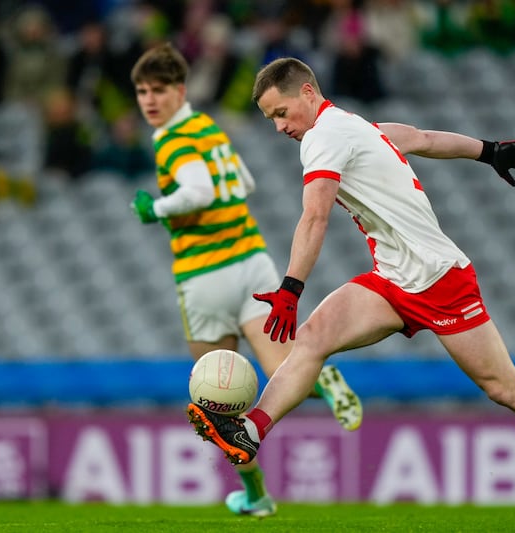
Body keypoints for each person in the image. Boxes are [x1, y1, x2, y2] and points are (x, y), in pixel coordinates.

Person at [186, 56, 515, 529]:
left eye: (282, 112)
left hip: (439, 280)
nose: (279, 127)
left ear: (308, 93)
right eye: (272, 118)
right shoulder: (357, 127)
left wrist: (290, 288)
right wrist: (488, 150)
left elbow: (315, 215)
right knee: (312, 338)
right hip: (392, 278)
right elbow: (424, 138)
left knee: (505, 387)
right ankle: (249, 432)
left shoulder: (323, 137)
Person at [128, 44, 362, 518]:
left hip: (204, 273)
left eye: (158, 91)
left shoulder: (171, 139)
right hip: (251, 261)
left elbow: (199, 190)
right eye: (142, 92)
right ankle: (323, 379)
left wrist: (157, 209)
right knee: (285, 371)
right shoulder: (208, 128)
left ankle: (256, 495)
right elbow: (244, 183)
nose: (149, 101)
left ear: (179, 91)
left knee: (215, 401)